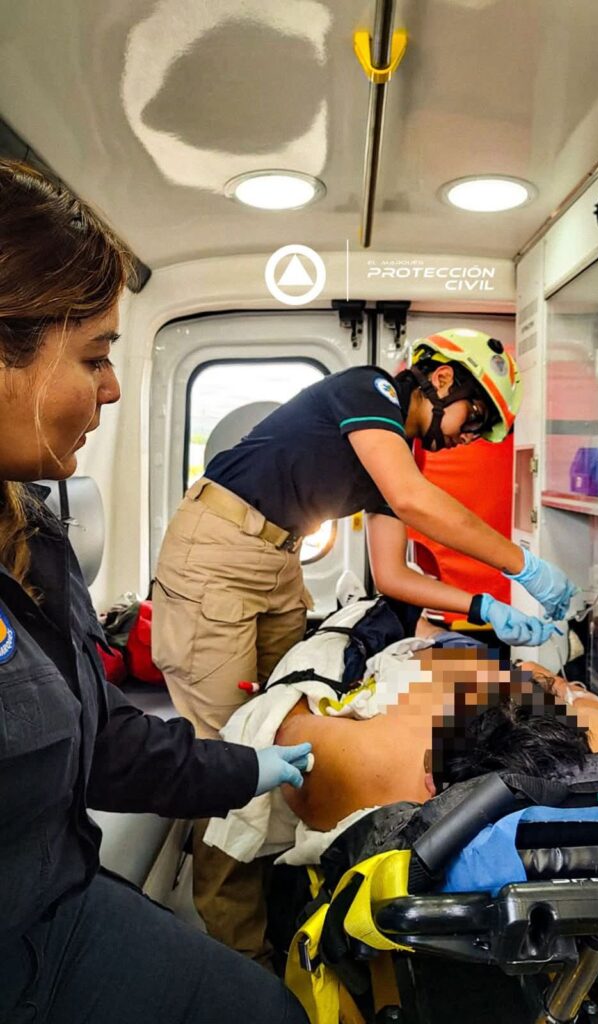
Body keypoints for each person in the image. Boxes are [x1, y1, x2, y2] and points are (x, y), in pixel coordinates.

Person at [151, 328, 578, 957]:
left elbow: (393, 577)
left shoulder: (388, 453)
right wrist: (523, 565)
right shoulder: (368, 389)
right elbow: (415, 501)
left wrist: (482, 607)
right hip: (219, 554)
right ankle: (240, 955)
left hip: (277, 564)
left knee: (283, 724)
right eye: (476, 415)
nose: (471, 435)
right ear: (441, 379)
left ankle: (280, 905)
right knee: (230, 752)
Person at [0, 158, 310, 1024]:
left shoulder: (32, 535)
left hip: (50, 905)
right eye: (95, 355)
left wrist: (245, 767)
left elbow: (95, 737)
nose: (113, 388)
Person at [273, 652, 598, 833]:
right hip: (490, 682)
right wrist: (564, 690)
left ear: (431, 782)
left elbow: (285, 723)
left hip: (422, 666)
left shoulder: (367, 764)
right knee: (532, 671)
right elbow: (576, 698)